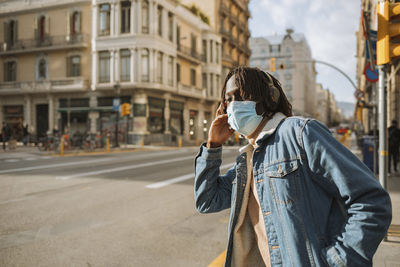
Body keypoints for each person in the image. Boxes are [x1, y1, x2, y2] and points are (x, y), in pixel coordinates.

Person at [194, 67, 392, 267]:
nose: (233, 105)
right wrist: (213, 145)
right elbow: (207, 201)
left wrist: (337, 261)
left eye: (241, 95)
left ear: (269, 98)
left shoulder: (300, 133)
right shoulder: (248, 159)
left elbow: (371, 201)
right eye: (228, 100)